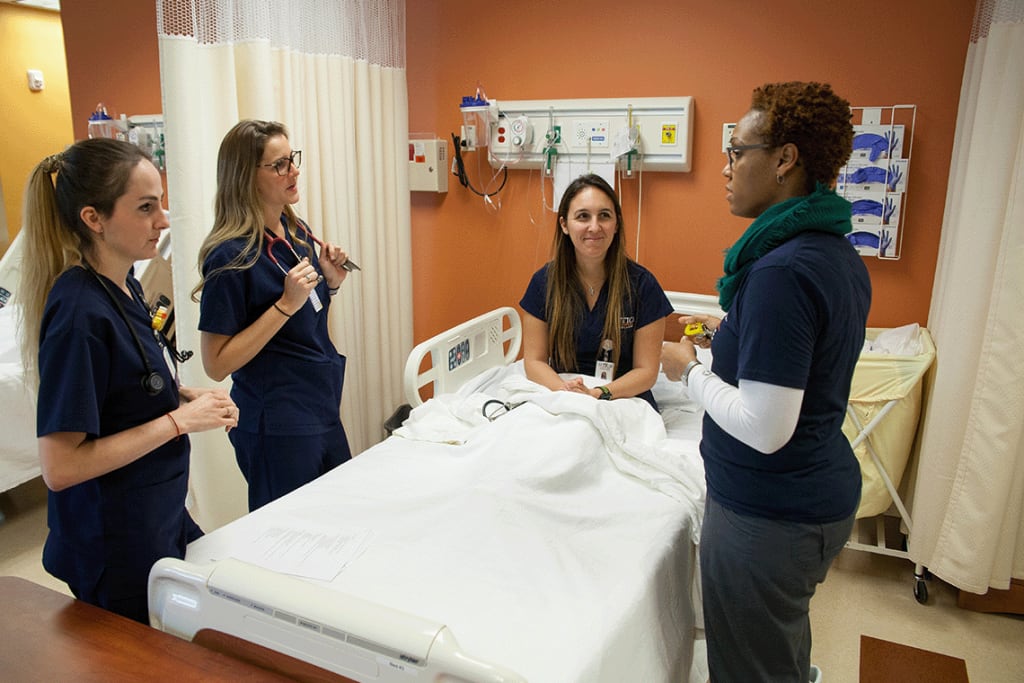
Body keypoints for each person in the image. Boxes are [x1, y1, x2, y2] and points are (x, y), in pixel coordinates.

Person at [662, 82, 871, 682]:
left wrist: (690, 371)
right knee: (776, 652)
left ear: (784, 160)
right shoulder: (832, 251)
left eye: (736, 150)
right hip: (813, 498)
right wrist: (730, 335)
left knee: (750, 669)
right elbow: (803, 355)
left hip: (770, 515)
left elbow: (765, 426)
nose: (725, 168)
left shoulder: (781, 271)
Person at [19, 138, 239, 624]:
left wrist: (186, 395)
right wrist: (179, 422)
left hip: (156, 515)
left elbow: (124, 386)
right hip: (113, 541)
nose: (162, 220)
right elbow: (61, 467)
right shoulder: (78, 314)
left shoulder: (125, 284)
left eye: (160, 203)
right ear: (93, 218)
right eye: (145, 208)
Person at [193, 120, 353, 512]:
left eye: (292, 159)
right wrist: (284, 305)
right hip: (277, 422)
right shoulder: (229, 257)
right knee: (289, 537)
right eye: (279, 165)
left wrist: (329, 284)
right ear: (246, 178)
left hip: (320, 404)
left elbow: (306, 323)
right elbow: (215, 364)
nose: (294, 171)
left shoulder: (297, 232)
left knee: (342, 515)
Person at [520, 173, 673, 409]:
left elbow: (647, 372)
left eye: (604, 216)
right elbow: (534, 361)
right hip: (562, 391)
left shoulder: (642, 285)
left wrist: (596, 394)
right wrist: (566, 392)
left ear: (616, 224)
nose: (594, 226)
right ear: (564, 225)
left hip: (623, 396)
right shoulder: (543, 283)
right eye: (583, 216)